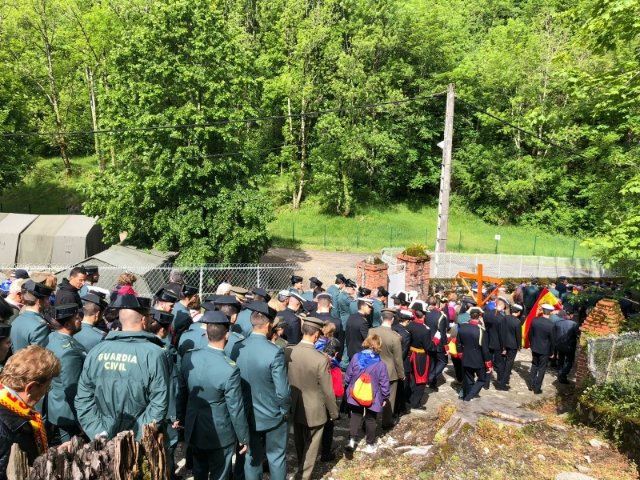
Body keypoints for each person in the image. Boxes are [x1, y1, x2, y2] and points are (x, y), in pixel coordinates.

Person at [75, 294, 170, 440]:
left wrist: (98, 431)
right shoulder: (155, 354)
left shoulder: (97, 351)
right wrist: (136, 436)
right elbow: (159, 403)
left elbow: (83, 398)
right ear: (144, 320)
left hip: (103, 437)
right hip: (139, 440)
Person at [175, 310, 249, 480]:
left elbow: (182, 391)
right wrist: (243, 437)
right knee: (220, 473)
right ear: (227, 335)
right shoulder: (229, 369)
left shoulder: (189, 357)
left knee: (199, 470)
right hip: (220, 431)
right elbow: (235, 407)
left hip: (194, 425)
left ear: (206, 335)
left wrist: (179, 417)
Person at [235, 302, 290, 480]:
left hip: (247, 414)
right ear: (268, 325)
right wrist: (284, 411)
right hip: (273, 414)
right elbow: (283, 391)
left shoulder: (237, 347)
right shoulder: (274, 352)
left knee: (252, 458)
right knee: (277, 457)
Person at [286, 316, 339, 480]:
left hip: (294, 404)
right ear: (316, 335)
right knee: (312, 445)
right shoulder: (320, 358)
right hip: (315, 408)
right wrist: (334, 412)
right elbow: (327, 390)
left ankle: (301, 467)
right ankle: (304, 475)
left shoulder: (288, 351)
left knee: (300, 442)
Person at [0, 346, 61, 477]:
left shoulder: (13, 410)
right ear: (30, 388)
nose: (46, 391)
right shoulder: (8, 430)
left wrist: (55, 453)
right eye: (47, 387)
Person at [45, 304, 86, 444]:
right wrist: (82, 419)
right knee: (70, 449)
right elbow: (72, 388)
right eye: (77, 318)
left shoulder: (53, 337)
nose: (80, 319)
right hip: (69, 412)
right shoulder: (69, 352)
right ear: (67, 324)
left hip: (58, 404)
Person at [343, 334, 390, 454]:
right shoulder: (381, 364)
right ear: (378, 345)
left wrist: (347, 387)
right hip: (373, 396)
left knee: (355, 416)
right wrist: (385, 397)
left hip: (355, 393)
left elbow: (348, 376)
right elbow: (384, 383)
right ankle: (370, 444)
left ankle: (352, 440)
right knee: (371, 419)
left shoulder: (356, 357)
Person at [369, 308, 404, 430]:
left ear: (381, 318)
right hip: (389, 371)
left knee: (371, 395)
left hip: (372, 368)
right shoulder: (395, 337)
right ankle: (386, 422)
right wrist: (401, 374)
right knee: (389, 398)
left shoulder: (371, 331)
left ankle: (368, 421)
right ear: (392, 320)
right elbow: (398, 359)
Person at [457, 307, 492, 401]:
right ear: (480, 316)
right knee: (482, 379)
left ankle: (467, 395)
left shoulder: (462, 327)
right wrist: (488, 363)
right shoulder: (481, 330)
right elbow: (485, 349)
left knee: (469, 379)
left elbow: (458, 344)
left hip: (465, 357)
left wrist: (461, 355)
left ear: (470, 316)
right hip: (478, 360)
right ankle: (469, 397)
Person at [10, 280, 53, 353]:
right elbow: (42, 356)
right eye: (47, 298)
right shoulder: (39, 326)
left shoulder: (15, 321)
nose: (48, 302)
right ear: (39, 301)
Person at [407, 301, 432, 410]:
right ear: (424, 315)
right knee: (421, 380)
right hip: (421, 356)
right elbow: (428, 347)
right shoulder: (426, 330)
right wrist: (435, 341)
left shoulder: (409, 325)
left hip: (410, 354)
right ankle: (415, 403)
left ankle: (409, 397)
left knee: (412, 377)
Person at [528, 304, 555, 394]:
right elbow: (552, 340)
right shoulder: (551, 325)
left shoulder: (535, 320)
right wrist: (552, 352)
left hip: (535, 347)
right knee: (542, 369)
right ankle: (537, 388)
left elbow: (530, 334)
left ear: (542, 311)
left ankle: (531, 385)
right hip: (545, 350)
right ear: (550, 312)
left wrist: (532, 344)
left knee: (534, 366)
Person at [496, 303, 523, 390]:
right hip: (512, 345)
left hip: (503, 343)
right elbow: (518, 336)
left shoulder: (505, 318)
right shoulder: (517, 322)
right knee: (509, 364)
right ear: (518, 312)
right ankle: (503, 383)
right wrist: (519, 346)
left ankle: (500, 380)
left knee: (502, 363)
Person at [425, 297, 447, 391]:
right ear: (436, 303)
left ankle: (433, 383)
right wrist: (446, 347)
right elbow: (443, 333)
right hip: (438, 343)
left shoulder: (425, 313)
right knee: (443, 361)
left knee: (433, 362)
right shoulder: (441, 315)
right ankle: (430, 378)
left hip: (428, 341)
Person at [552, 314, 579, 384]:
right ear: (571, 316)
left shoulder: (558, 323)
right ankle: (562, 374)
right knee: (569, 361)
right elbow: (577, 334)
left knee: (561, 359)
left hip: (559, 345)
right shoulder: (574, 324)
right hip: (569, 346)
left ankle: (560, 374)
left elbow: (554, 333)